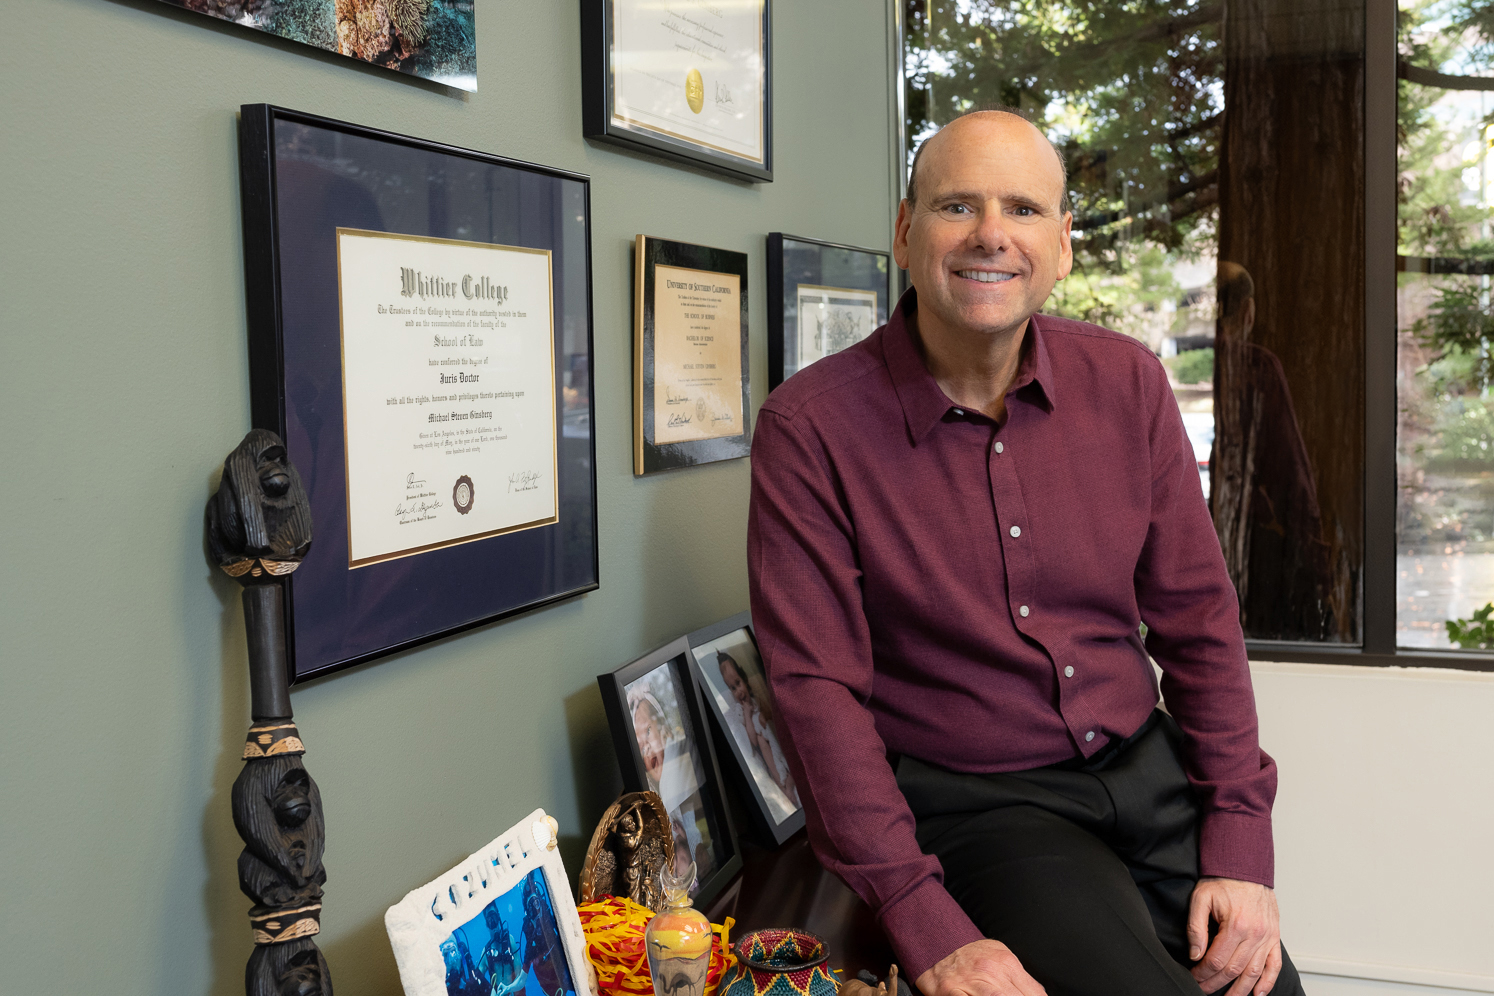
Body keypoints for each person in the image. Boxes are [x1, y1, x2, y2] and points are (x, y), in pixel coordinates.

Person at [748, 108, 1305, 996]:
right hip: (984, 806)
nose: (991, 237)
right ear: (903, 230)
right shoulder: (810, 429)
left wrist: (1242, 845)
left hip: (1148, 773)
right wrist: (921, 921)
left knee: (1261, 988)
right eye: (957, 206)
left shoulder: (1129, 384)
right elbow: (818, 695)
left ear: (1064, 243)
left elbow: (1199, 622)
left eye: (1024, 210)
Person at [1210, 262, 1335, 641]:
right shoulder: (1255, 366)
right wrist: (1319, 562)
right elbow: (1291, 470)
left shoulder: (1216, 364)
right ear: (1248, 311)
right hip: (1262, 547)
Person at [717, 651, 800, 806]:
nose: (738, 690)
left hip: (773, 740)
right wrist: (748, 715)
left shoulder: (756, 701)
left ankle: (791, 778)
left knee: (780, 750)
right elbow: (753, 740)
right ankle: (785, 787)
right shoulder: (740, 711)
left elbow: (769, 718)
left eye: (738, 683)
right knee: (762, 741)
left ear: (745, 680)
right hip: (765, 749)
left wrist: (763, 719)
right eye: (733, 688)